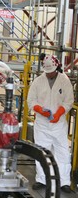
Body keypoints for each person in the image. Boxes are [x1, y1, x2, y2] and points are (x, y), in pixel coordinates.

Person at [27, 54, 74, 193]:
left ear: (57, 67)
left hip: (59, 125)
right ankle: (42, 179)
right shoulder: (38, 81)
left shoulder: (64, 81)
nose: (49, 74)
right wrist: (39, 109)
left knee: (62, 152)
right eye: (46, 72)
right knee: (41, 152)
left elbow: (68, 101)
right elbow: (31, 101)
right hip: (42, 124)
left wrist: (59, 112)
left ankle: (64, 182)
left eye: (51, 71)